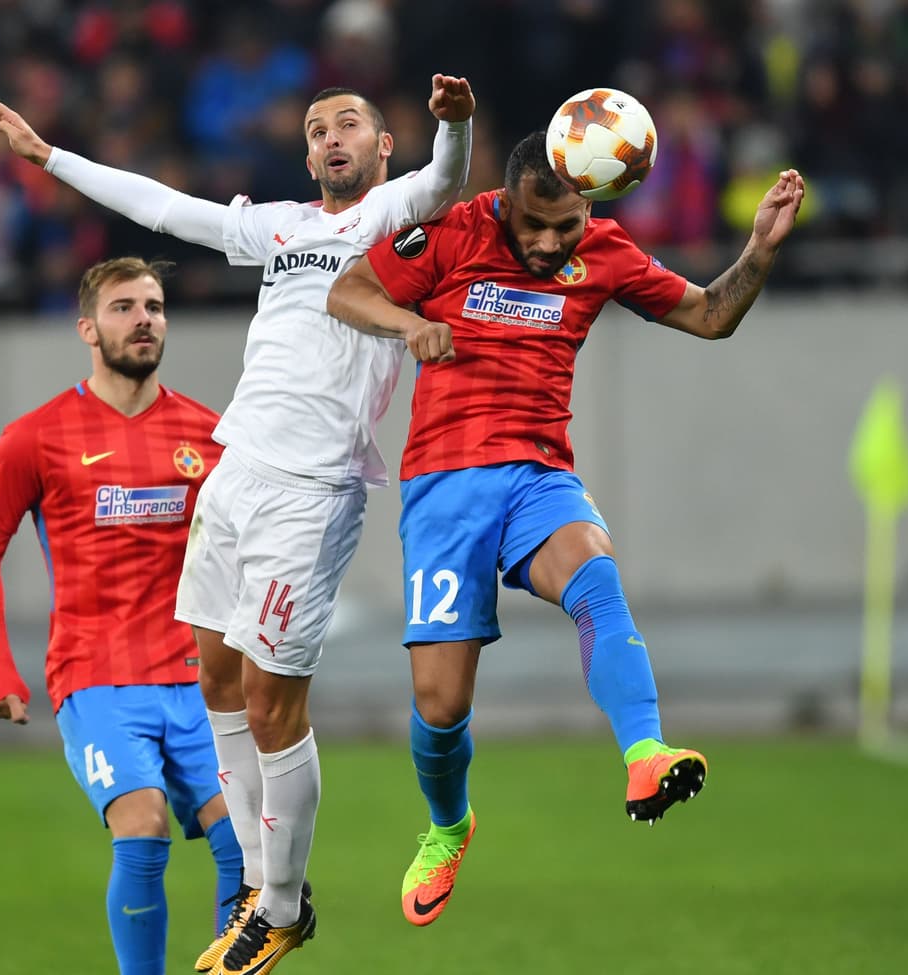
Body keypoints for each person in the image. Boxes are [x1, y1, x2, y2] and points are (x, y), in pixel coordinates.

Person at [0, 77, 475, 975]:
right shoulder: (277, 229)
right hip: (235, 467)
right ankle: (256, 892)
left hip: (314, 488)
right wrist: (50, 157)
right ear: (306, 154)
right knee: (218, 680)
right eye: (316, 129)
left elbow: (446, 179)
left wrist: (457, 126)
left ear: (383, 145)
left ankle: (281, 904)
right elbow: (163, 208)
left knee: (275, 705)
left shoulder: (395, 211)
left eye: (348, 124)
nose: (330, 137)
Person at [326, 131, 805, 925]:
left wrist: (758, 250)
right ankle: (448, 826)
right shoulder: (452, 231)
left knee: (595, 572)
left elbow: (710, 315)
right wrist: (406, 324)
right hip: (444, 487)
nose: (551, 244)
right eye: (534, 227)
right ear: (506, 205)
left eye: (567, 227)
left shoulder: (607, 252)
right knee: (440, 705)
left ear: (589, 208)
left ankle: (645, 753)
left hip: (538, 474)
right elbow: (347, 291)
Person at [0, 257, 244, 975]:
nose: (143, 319)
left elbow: (246, 553)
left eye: (154, 306)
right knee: (142, 826)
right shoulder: (36, 437)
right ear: (87, 328)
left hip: (198, 679)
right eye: (123, 307)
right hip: (97, 678)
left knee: (247, 843)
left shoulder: (211, 435)